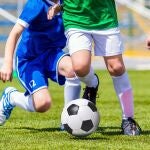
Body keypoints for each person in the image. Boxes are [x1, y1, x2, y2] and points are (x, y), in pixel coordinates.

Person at [47, 0, 141, 135]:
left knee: (116, 67)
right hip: (76, 17)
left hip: (105, 16)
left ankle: (128, 119)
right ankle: (92, 83)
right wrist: (59, 5)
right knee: (79, 67)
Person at [0, 0, 81, 126]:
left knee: (74, 68)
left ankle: (68, 121)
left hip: (52, 54)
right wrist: (7, 63)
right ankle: (11, 97)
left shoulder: (68, 3)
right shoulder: (35, 4)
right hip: (30, 59)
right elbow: (14, 33)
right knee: (43, 104)